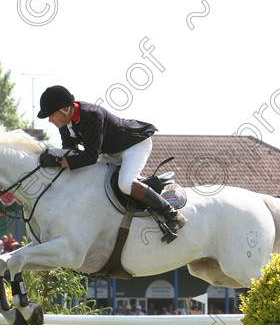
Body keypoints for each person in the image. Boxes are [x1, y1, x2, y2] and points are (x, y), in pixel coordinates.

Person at [37, 85, 186, 242]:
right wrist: (53, 158)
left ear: (65, 109)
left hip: (134, 145)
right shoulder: (66, 123)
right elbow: (70, 151)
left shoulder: (90, 115)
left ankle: (173, 215)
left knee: (125, 184)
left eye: (52, 115)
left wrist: (58, 162)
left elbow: (90, 157)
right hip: (112, 152)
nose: (49, 120)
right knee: (96, 181)